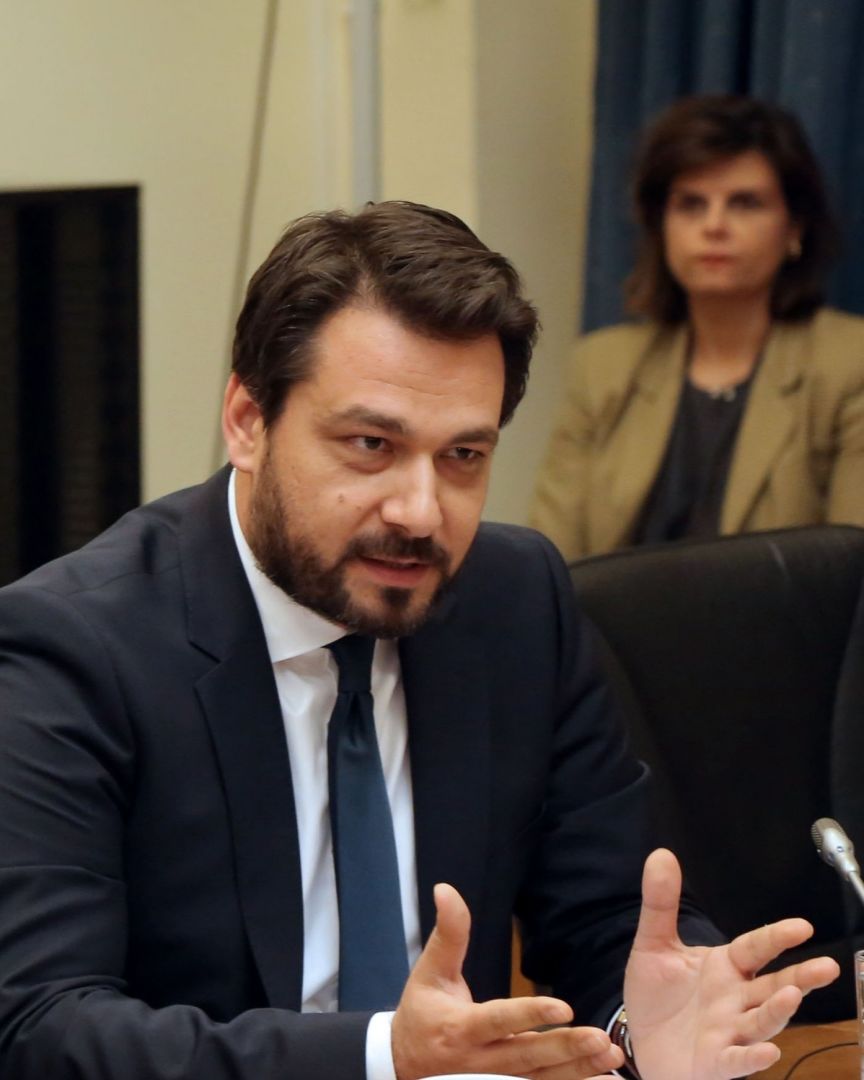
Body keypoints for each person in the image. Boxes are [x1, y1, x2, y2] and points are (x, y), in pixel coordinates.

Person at [0, 201, 837, 1080]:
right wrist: (380, 1056)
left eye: (463, 456)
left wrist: (641, 1023)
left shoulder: (513, 600)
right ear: (247, 419)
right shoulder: (73, 649)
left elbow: (604, 917)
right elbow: (38, 1029)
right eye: (371, 444)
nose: (420, 512)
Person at [531, 94, 864, 561]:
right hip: (613, 610)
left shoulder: (850, 364)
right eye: (691, 204)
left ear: (794, 228)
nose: (714, 225)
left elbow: (851, 569)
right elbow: (551, 562)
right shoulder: (601, 366)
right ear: (661, 227)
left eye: (745, 203)